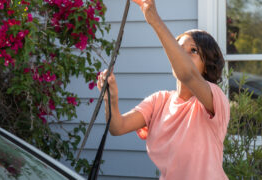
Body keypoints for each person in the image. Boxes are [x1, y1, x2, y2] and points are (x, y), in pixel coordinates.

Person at [97, 0, 230, 179]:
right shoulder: (159, 101)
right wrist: (110, 98)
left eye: (193, 51)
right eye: (179, 50)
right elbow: (117, 127)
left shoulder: (214, 98)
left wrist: (153, 18)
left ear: (206, 66)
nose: (183, 55)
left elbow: (187, 75)